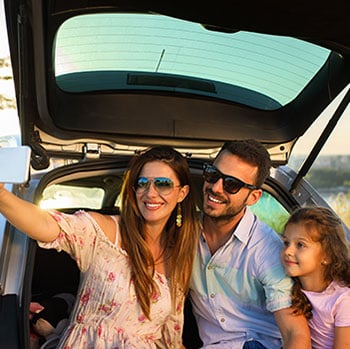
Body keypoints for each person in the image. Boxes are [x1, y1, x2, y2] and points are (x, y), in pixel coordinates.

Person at [0, 145, 200, 348]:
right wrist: (2, 196)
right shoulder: (104, 233)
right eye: (142, 183)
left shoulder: (178, 256)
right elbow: (47, 225)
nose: (151, 193)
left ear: (182, 193)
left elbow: (171, 339)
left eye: (163, 184)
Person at [188, 139, 311, 349]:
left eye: (232, 184)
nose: (216, 188)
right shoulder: (184, 236)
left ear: (253, 197)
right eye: (213, 175)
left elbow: (295, 332)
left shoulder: (267, 248)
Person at [281, 206, 350, 349]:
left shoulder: (342, 300)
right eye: (286, 242)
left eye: (300, 245)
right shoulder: (285, 284)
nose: (288, 251)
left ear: (327, 256)